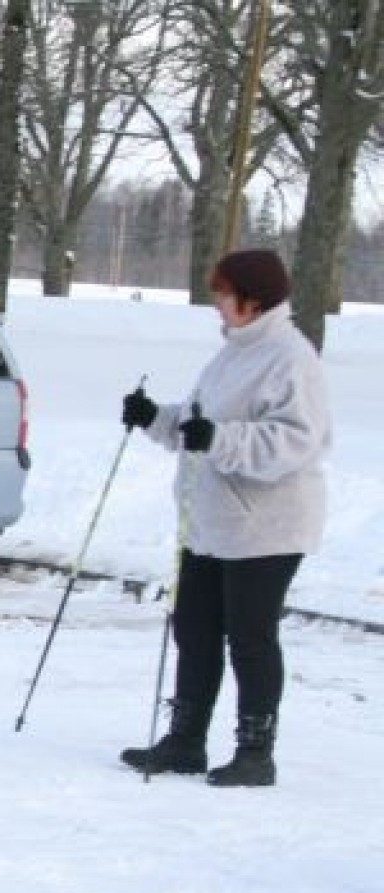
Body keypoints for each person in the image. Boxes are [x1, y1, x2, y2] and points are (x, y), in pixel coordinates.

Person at [117, 247, 329, 787]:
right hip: (211, 521)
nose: (216, 301)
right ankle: (186, 741)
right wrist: (154, 418)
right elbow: (198, 427)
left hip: (265, 526)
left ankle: (256, 752)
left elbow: (300, 440)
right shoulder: (234, 352)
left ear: (252, 301)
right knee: (194, 629)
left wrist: (220, 439)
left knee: (250, 637)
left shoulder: (291, 356)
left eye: (222, 292)